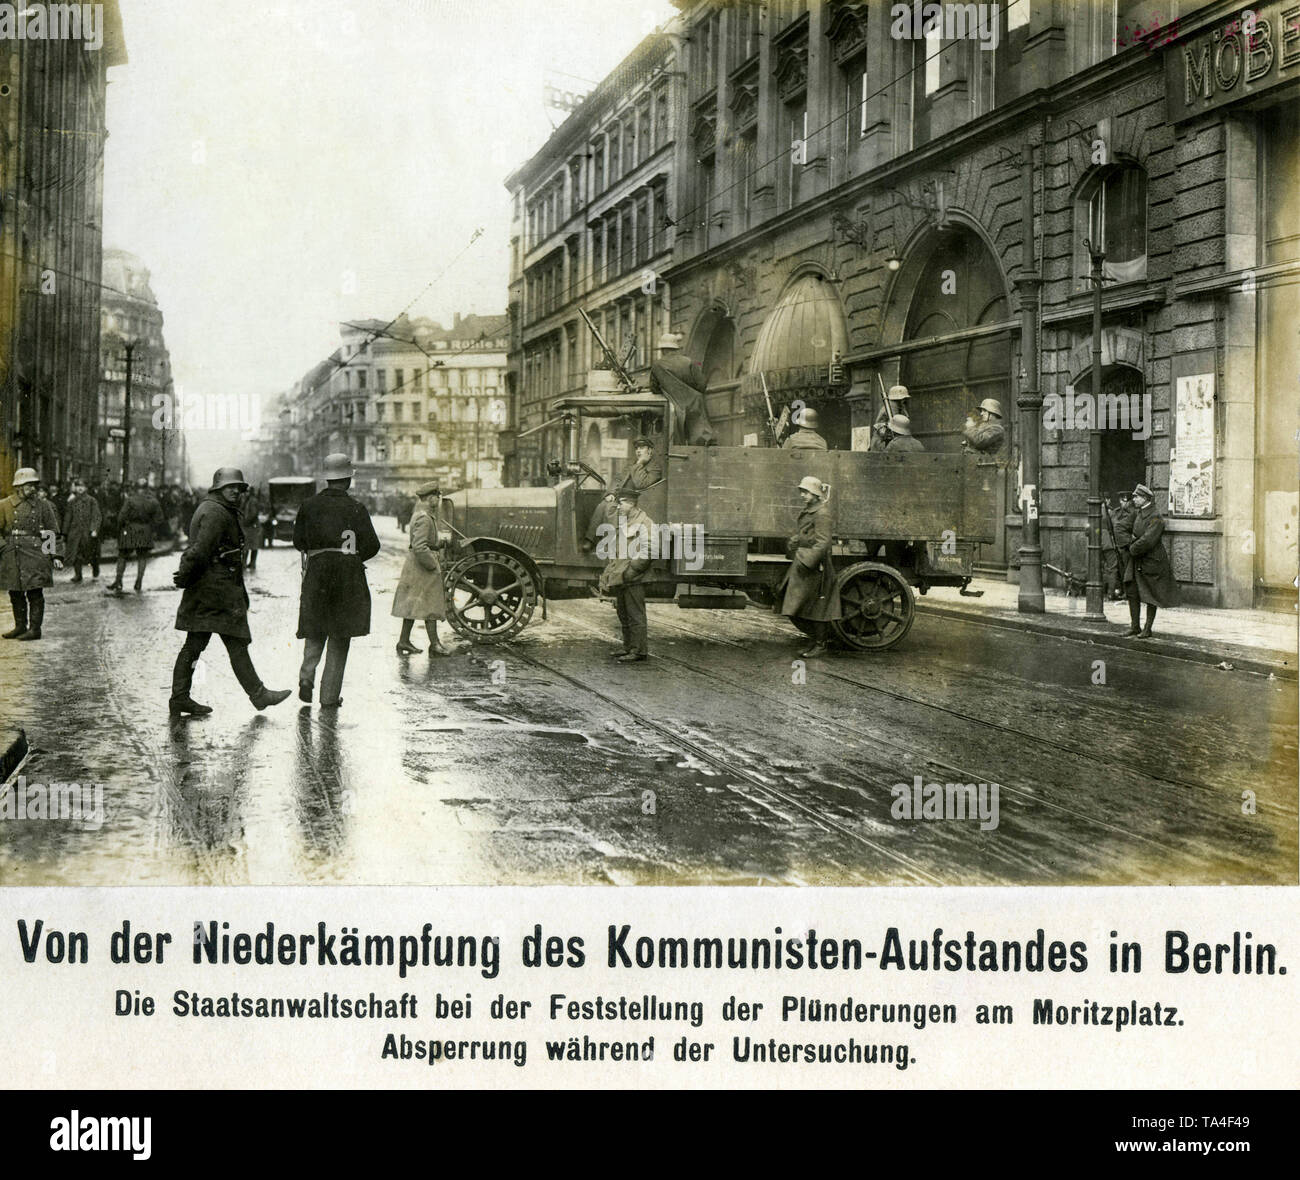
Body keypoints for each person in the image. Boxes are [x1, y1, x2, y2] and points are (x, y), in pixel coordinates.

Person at [170, 468, 290, 717]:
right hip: (215, 590)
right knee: (227, 643)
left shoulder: (218, 508)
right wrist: (184, 573)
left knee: (199, 645)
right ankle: (258, 695)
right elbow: (201, 550)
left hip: (213, 589)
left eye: (238, 487)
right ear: (218, 488)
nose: (235, 490)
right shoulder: (215, 512)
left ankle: (180, 697)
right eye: (230, 487)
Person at [294, 453, 381, 708]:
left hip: (318, 572)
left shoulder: (308, 506)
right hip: (348, 575)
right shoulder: (356, 507)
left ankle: (306, 677)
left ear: (327, 478)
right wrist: (353, 557)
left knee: (315, 626)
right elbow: (373, 545)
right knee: (341, 633)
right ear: (348, 480)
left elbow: (298, 541)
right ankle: (329, 696)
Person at [778, 475, 842, 659]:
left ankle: (820, 644)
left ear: (815, 494)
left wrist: (808, 562)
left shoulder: (821, 513)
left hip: (815, 566)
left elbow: (823, 542)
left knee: (817, 608)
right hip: (805, 562)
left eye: (806, 492)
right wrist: (796, 540)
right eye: (802, 492)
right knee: (797, 605)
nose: (803, 495)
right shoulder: (811, 510)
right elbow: (808, 534)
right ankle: (816, 641)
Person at [1, 468, 62, 641]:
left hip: (36, 553)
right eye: (29, 485)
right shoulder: (4, 505)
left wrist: (55, 556)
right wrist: (3, 548)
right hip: (12, 553)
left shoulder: (43, 505)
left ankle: (35, 629)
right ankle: (20, 626)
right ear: (18, 486)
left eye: (34, 485)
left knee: (35, 592)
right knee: (15, 592)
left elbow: (51, 532)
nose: (33, 489)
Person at [393, 481, 452, 656]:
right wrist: (433, 565)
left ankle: (403, 641)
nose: (438, 500)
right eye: (437, 497)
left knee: (412, 604)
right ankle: (435, 645)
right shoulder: (425, 517)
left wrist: (438, 542)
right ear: (431, 497)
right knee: (431, 604)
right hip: (423, 566)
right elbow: (420, 546)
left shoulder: (419, 514)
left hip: (415, 565)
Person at [597, 486, 654, 663]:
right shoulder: (626, 520)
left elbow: (651, 549)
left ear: (631, 503)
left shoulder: (645, 522)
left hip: (634, 576)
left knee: (635, 614)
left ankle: (639, 651)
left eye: (621, 503)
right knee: (623, 612)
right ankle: (628, 647)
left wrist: (633, 570)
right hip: (622, 574)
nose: (619, 506)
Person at [584, 437, 664, 551]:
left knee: (611, 509)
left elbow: (641, 484)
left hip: (635, 501)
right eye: (636, 448)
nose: (638, 451)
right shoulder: (631, 465)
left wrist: (639, 463)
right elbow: (617, 479)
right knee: (603, 505)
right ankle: (590, 539)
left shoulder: (654, 469)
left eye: (642, 448)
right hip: (620, 497)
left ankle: (611, 545)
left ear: (650, 450)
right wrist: (610, 493)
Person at [1123, 483, 1179, 638]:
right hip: (1137, 560)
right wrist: (1130, 542)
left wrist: (1132, 547)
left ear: (1145, 498)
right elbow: (1122, 527)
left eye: (1136, 497)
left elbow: (1148, 541)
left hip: (1151, 561)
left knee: (1150, 595)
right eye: (1134, 496)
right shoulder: (1138, 513)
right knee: (1132, 591)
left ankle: (1147, 628)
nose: (1133, 499)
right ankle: (1135, 626)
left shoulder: (1156, 517)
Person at [649, 332, 716, 446]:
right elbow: (702, 385)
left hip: (673, 407)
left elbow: (654, 389)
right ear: (676, 349)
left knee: (675, 440)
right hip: (694, 404)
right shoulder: (689, 361)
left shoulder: (657, 366)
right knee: (700, 438)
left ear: (663, 350)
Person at [107, 476, 165, 595]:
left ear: (135, 488)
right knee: (142, 557)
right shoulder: (153, 501)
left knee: (122, 556)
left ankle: (118, 581)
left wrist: (119, 529)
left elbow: (121, 517)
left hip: (130, 530)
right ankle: (139, 581)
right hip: (145, 531)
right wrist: (150, 527)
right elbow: (160, 519)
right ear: (146, 488)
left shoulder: (130, 500)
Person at [63, 478, 102, 582]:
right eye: (78, 486)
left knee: (91, 553)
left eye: (82, 486)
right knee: (76, 553)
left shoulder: (91, 501)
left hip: (87, 532)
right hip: (75, 532)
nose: (80, 488)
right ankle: (78, 574)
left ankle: (95, 567)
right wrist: (64, 532)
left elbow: (96, 516)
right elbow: (68, 517)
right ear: (75, 488)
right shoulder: (72, 502)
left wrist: (94, 529)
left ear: (86, 488)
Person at [1103, 491, 1135, 602]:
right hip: (1115, 544)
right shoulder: (1113, 512)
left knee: (1122, 568)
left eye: (1122, 500)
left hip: (1122, 544)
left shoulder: (1130, 512)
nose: (1120, 502)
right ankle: (1115, 592)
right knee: (1117, 568)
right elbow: (1116, 527)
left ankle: (1122, 592)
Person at [239, 486, 263, 571]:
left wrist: (246, 522)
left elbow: (253, 514)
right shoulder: (249, 500)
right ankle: (250, 563)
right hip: (251, 526)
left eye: (247, 492)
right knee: (251, 545)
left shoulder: (252, 501)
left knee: (250, 545)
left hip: (251, 526)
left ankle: (249, 563)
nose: (246, 494)